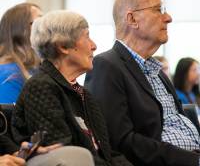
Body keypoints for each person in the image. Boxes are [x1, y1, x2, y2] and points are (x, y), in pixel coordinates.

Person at [85, 0, 200, 166]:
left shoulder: (157, 70)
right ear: (132, 19)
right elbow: (120, 141)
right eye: (158, 10)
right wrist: (193, 160)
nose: (168, 18)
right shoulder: (106, 66)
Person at [11, 10, 133, 166]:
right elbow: (64, 156)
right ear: (63, 46)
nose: (94, 46)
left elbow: (106, 153)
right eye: (87, 36)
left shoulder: (83, 94)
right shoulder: (41, 87)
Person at [0, 3, 42, 104]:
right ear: (21, 29)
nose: (46, 28)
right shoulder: (8, 74)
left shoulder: (35, 67)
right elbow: (8, 118)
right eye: (39, 22)